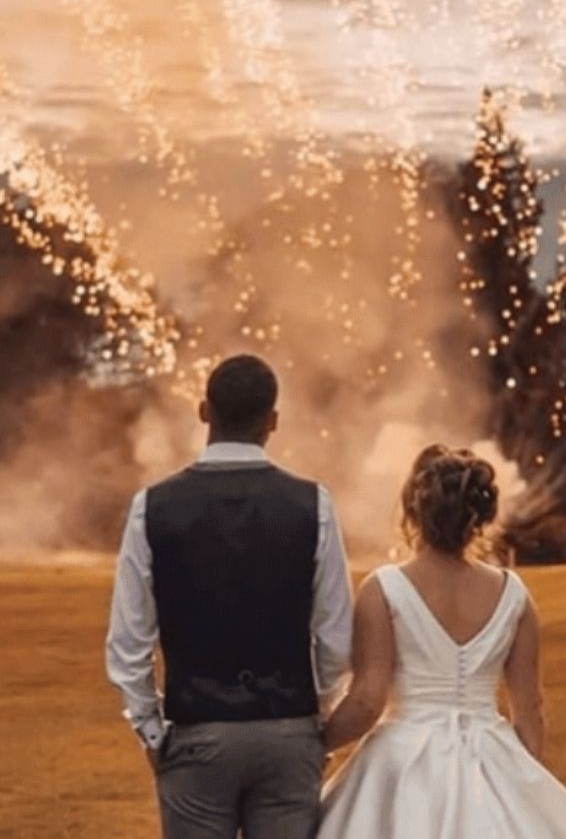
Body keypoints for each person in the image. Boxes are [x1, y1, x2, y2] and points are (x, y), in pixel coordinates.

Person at [106, 354, 353, 839]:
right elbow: (335, 637)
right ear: (273, 421)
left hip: (197, 729)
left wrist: (151, 730)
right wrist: (315, 720)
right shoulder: (312, 505)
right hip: (288, 727)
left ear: (203, 411)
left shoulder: (153, 507)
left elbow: (128, 639)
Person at [318, 444, 566, 838]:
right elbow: (530, 709)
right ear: (480, 519)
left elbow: (368, 699)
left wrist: (316, 742)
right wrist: (521, 787)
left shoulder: (384, 589)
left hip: (401, 759)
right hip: (490, 751)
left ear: (414, 510)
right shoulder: (514, 595)